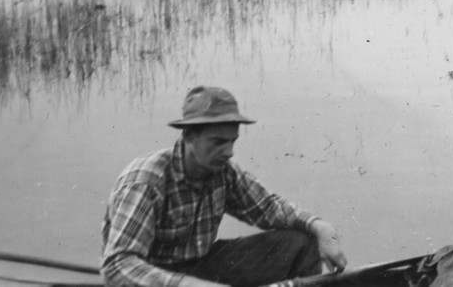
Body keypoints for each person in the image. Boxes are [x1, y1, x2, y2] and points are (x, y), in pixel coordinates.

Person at [101, 86, 348, 287]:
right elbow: (117, 266)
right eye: (218, 142)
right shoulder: (146, 180)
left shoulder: (222, 171)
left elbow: (269, 208)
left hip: (200, 266)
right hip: (154, 278)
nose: (229, 152)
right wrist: (187, 285)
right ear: (188, 136)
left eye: (232, 141)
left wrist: (320, 226)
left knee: (301, 242)